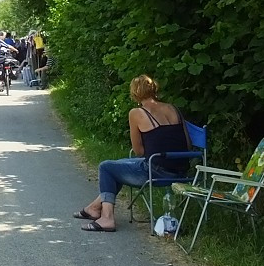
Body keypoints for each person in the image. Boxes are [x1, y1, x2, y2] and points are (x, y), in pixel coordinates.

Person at [74, 75, 191, 233]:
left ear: (135, 93)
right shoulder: (172, 108)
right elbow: (188, 143)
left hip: (156, 171)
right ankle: (94, 207)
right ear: (154, 89)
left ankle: (107, 218)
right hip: (182, 170)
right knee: (120, 164)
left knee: (107, 167)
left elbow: (139, 151)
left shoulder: (136, 113)